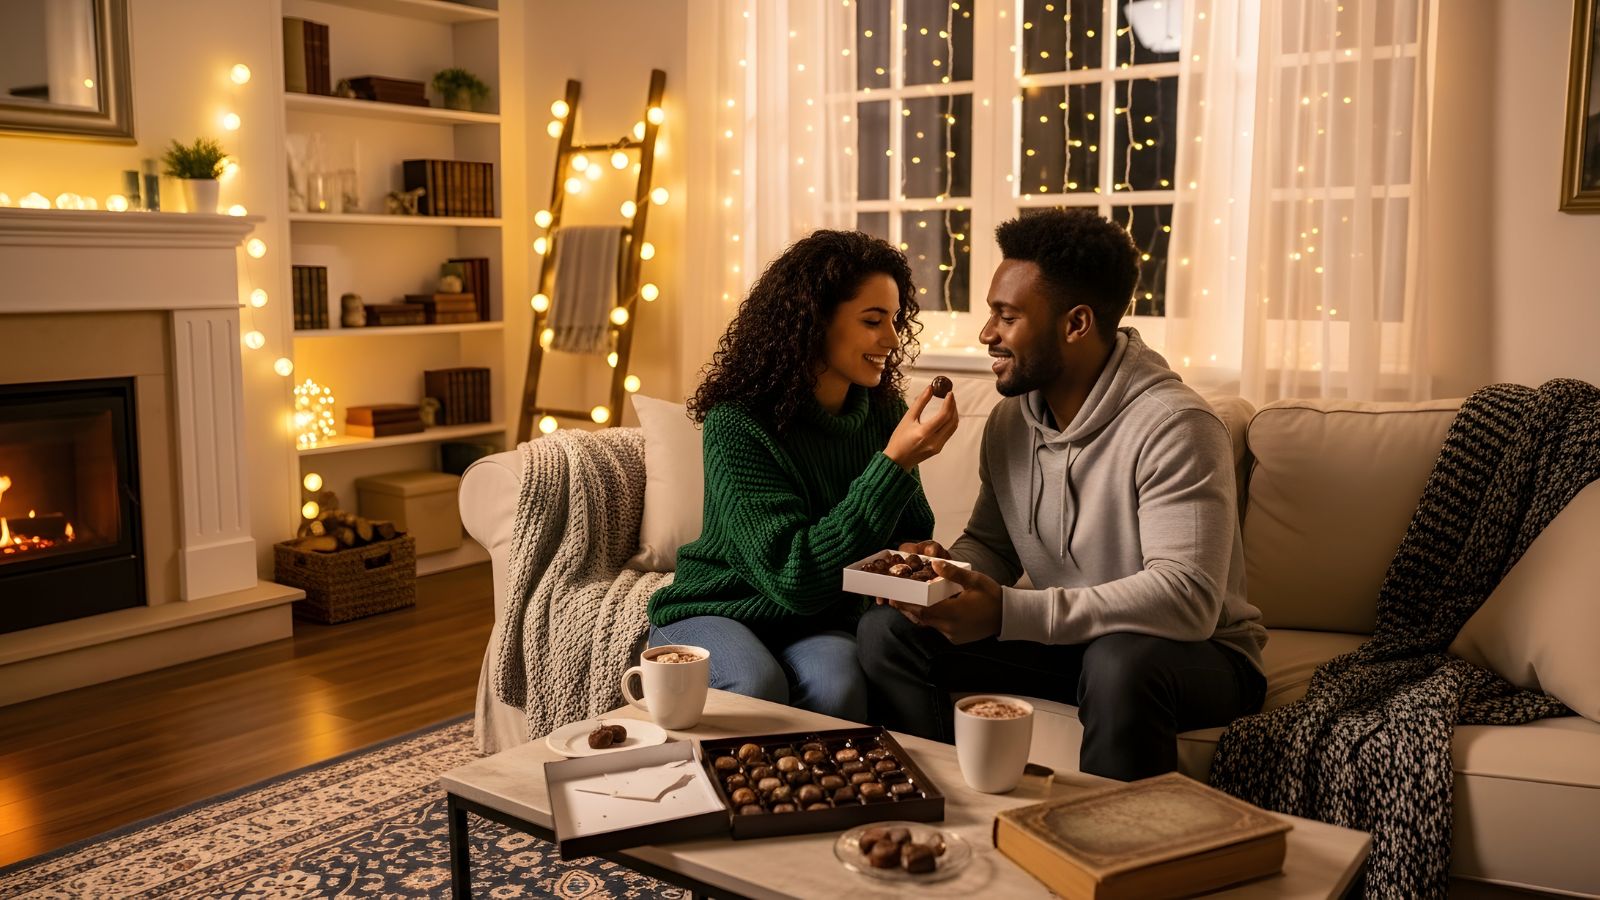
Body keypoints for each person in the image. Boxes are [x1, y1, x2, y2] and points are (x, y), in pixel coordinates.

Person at [856, 209, 1267, 781]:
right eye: (990, 314)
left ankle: (1106, 857)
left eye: (1007, 316)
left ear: (1075, 324)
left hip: (1191, 655)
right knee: (890, 631)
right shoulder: (1009, 423)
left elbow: (1187, 599)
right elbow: (991, 545)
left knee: (1119, 661)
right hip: (1072, 638)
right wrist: (946, 577)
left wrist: (1009, 610)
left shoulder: (1176, 424)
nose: (986, 334)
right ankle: (934, 805)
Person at [647, 229, 959, 721]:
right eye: (873, 320)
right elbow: (794, 578)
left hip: (818, 619)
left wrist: (919, 554)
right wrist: (893, 465)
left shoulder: (883, 415)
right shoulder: (737, 424)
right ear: (813, 322)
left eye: (896, 320)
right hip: (721, 606)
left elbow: (908, 534)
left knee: (839, 688)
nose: (892, 339)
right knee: (756, 683)